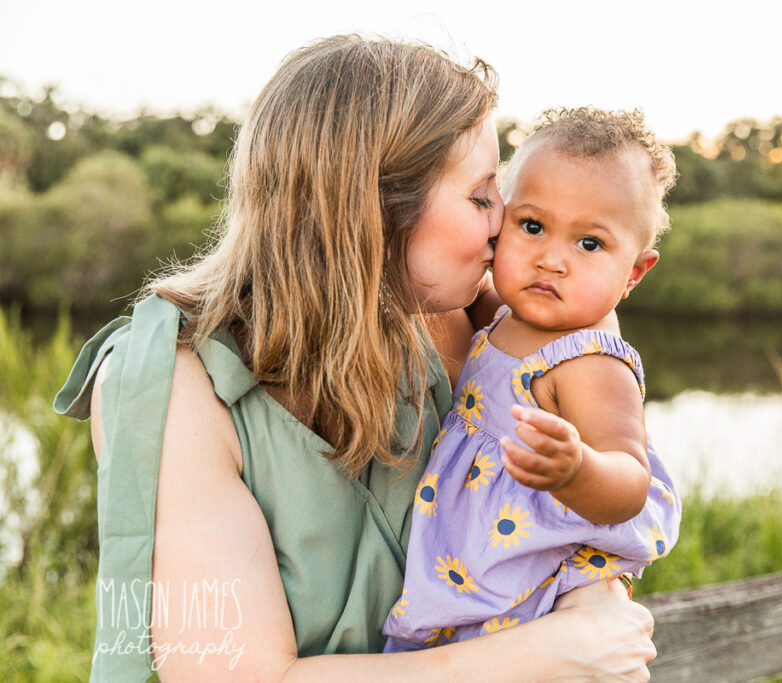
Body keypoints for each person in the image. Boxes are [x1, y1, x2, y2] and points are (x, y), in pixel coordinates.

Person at [53, 36, 658, 681]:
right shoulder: (171, 386)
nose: (504, 224)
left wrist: (592, 591)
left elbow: (584, 499)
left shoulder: (460, 319)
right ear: (373, 210)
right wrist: (557, 651)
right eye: (483, 196)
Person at [383, 108, 681, 651]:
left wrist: (577, 468)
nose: (551, 260)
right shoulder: (501, 313)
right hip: (469, 560)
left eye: (589, 244)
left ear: (634, 272)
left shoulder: (589, 362)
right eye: (533, 226)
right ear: (502, 224)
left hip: (523, 574)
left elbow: (631, 482)